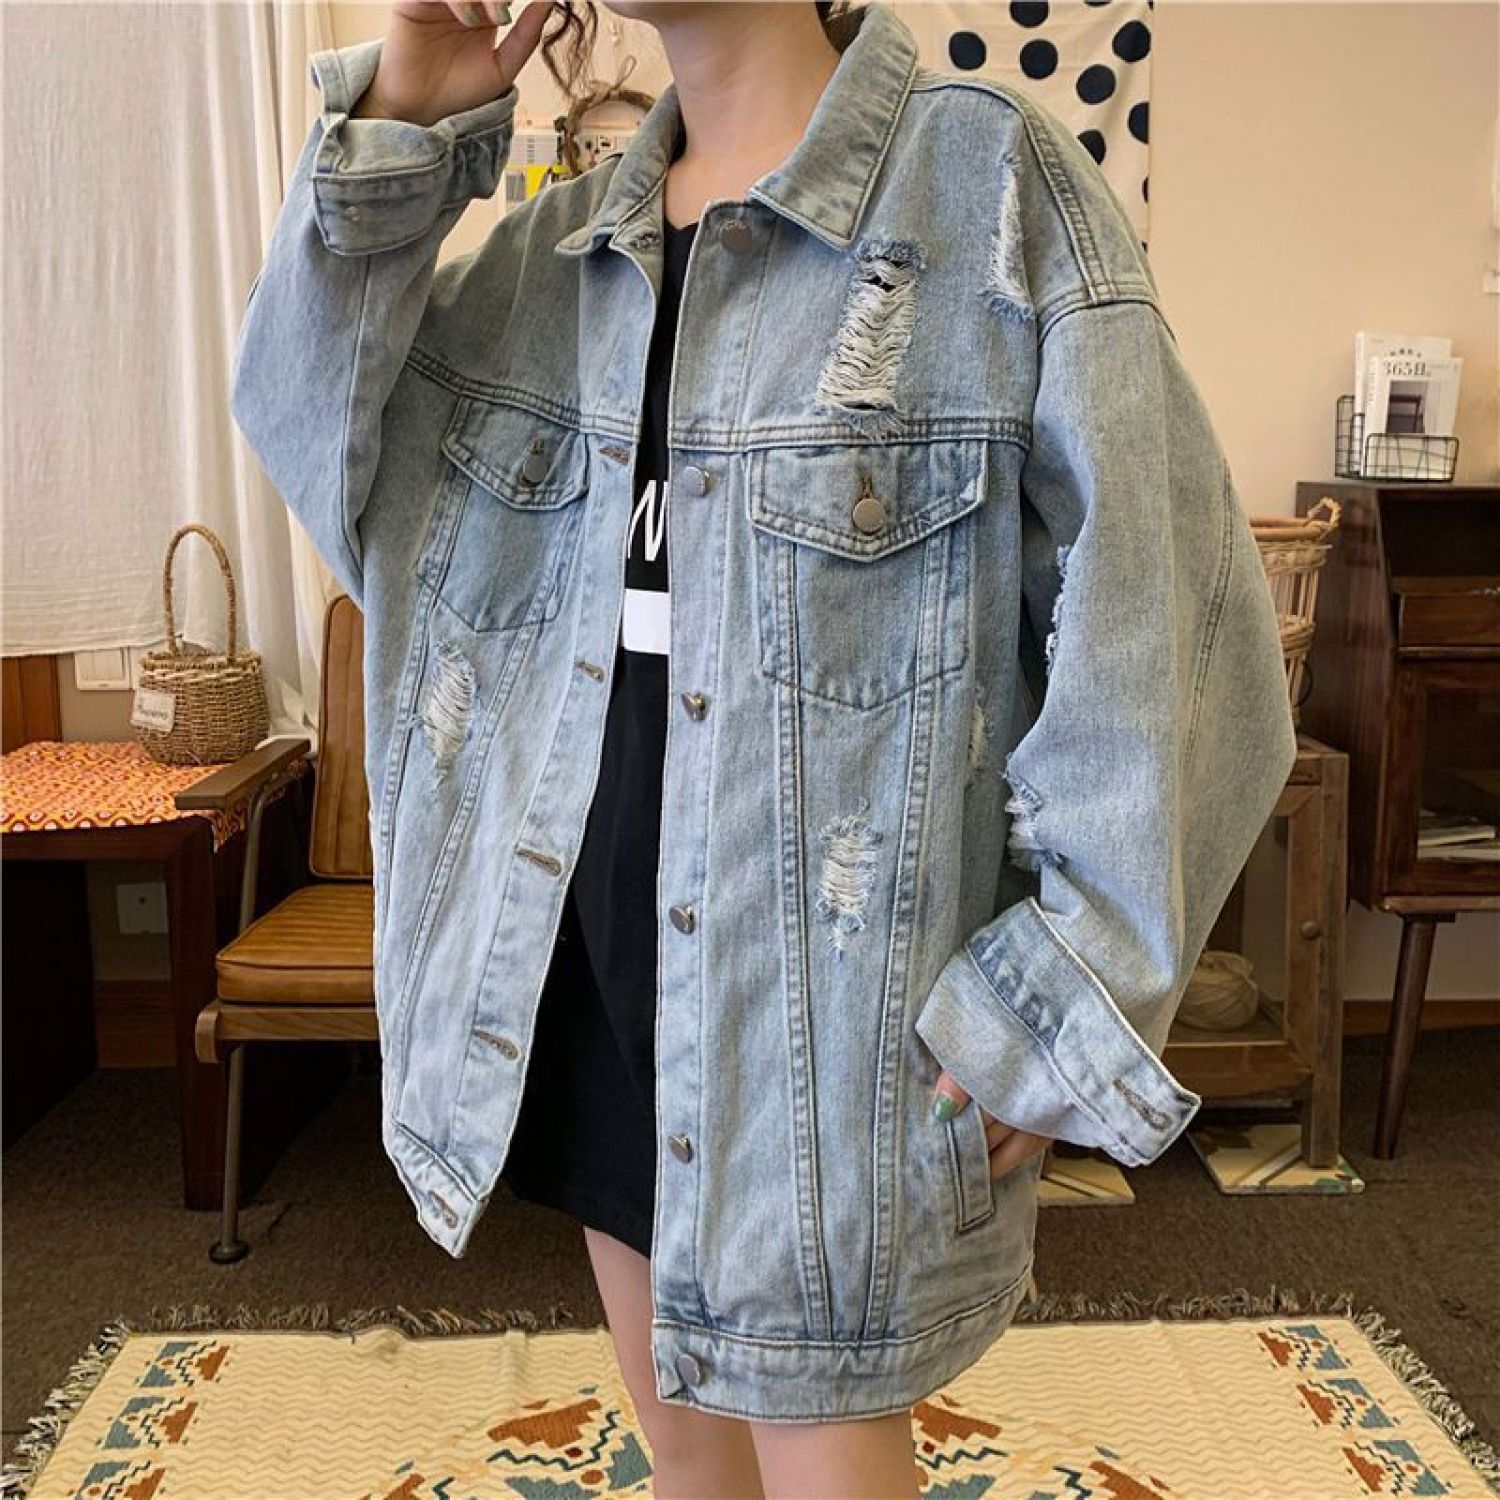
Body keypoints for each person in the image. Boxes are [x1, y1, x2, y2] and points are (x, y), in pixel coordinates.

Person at [231, 2, 1299, 1495]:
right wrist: (407, 116)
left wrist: (1061, 987)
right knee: (689, 1463)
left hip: (826, 1023)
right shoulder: (549, 262)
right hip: (589, 968)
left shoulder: (989, 197)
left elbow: (1182, 634)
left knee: (822, 1459)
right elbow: (316, 444)